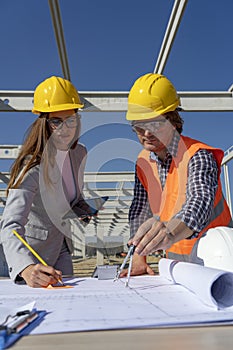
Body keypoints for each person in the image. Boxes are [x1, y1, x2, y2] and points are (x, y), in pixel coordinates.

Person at [121, 73, 233, 277]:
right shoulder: (143, 162)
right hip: (176, 261)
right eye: (139, 125)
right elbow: (140, 210)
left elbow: (199, 202)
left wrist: (169, 232)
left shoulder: (198, 155)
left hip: (218, 256)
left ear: (172, 121)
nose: (146, 133)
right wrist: (139, 257)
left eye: (154, 123)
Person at [0, 76, 93, 287]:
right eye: (56, 122)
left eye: (70, 120)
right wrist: (26, 268)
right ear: (43, 123)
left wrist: (83, 208)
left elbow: (72, 197)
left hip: (61, 246)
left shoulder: (80, 154)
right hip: (30, 253)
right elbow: (10, 226)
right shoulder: (31, 167)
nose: (64, 128)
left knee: (69, 299)